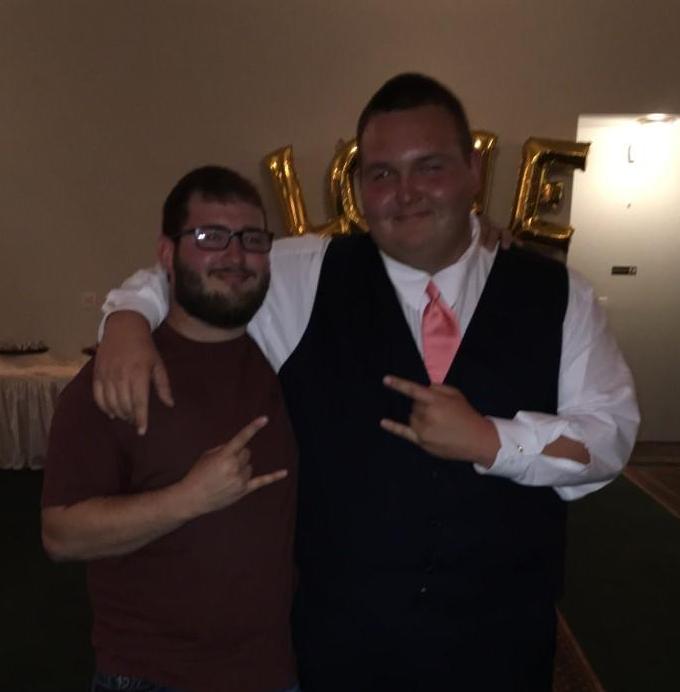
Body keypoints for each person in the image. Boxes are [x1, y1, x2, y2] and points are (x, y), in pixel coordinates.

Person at [93, 74, 639, 691]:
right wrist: (128, 320)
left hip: (501, 646)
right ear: (359, 188)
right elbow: (196, 273)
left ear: (472, 172)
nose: (405, 193)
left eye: (429, 167)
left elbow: (609, 436)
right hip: (337, 649)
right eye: (382, 174)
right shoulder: (303, 275)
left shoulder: (559, 295)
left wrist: (494, 441)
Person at [42, 166, 300, 692]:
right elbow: (61, 536)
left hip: (274, 671)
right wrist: (188, 498)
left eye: (251, 239)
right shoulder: (119, 374)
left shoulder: (284, 357)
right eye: (209, 237)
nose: (234, 256)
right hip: (153, 675)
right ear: (166, 254)